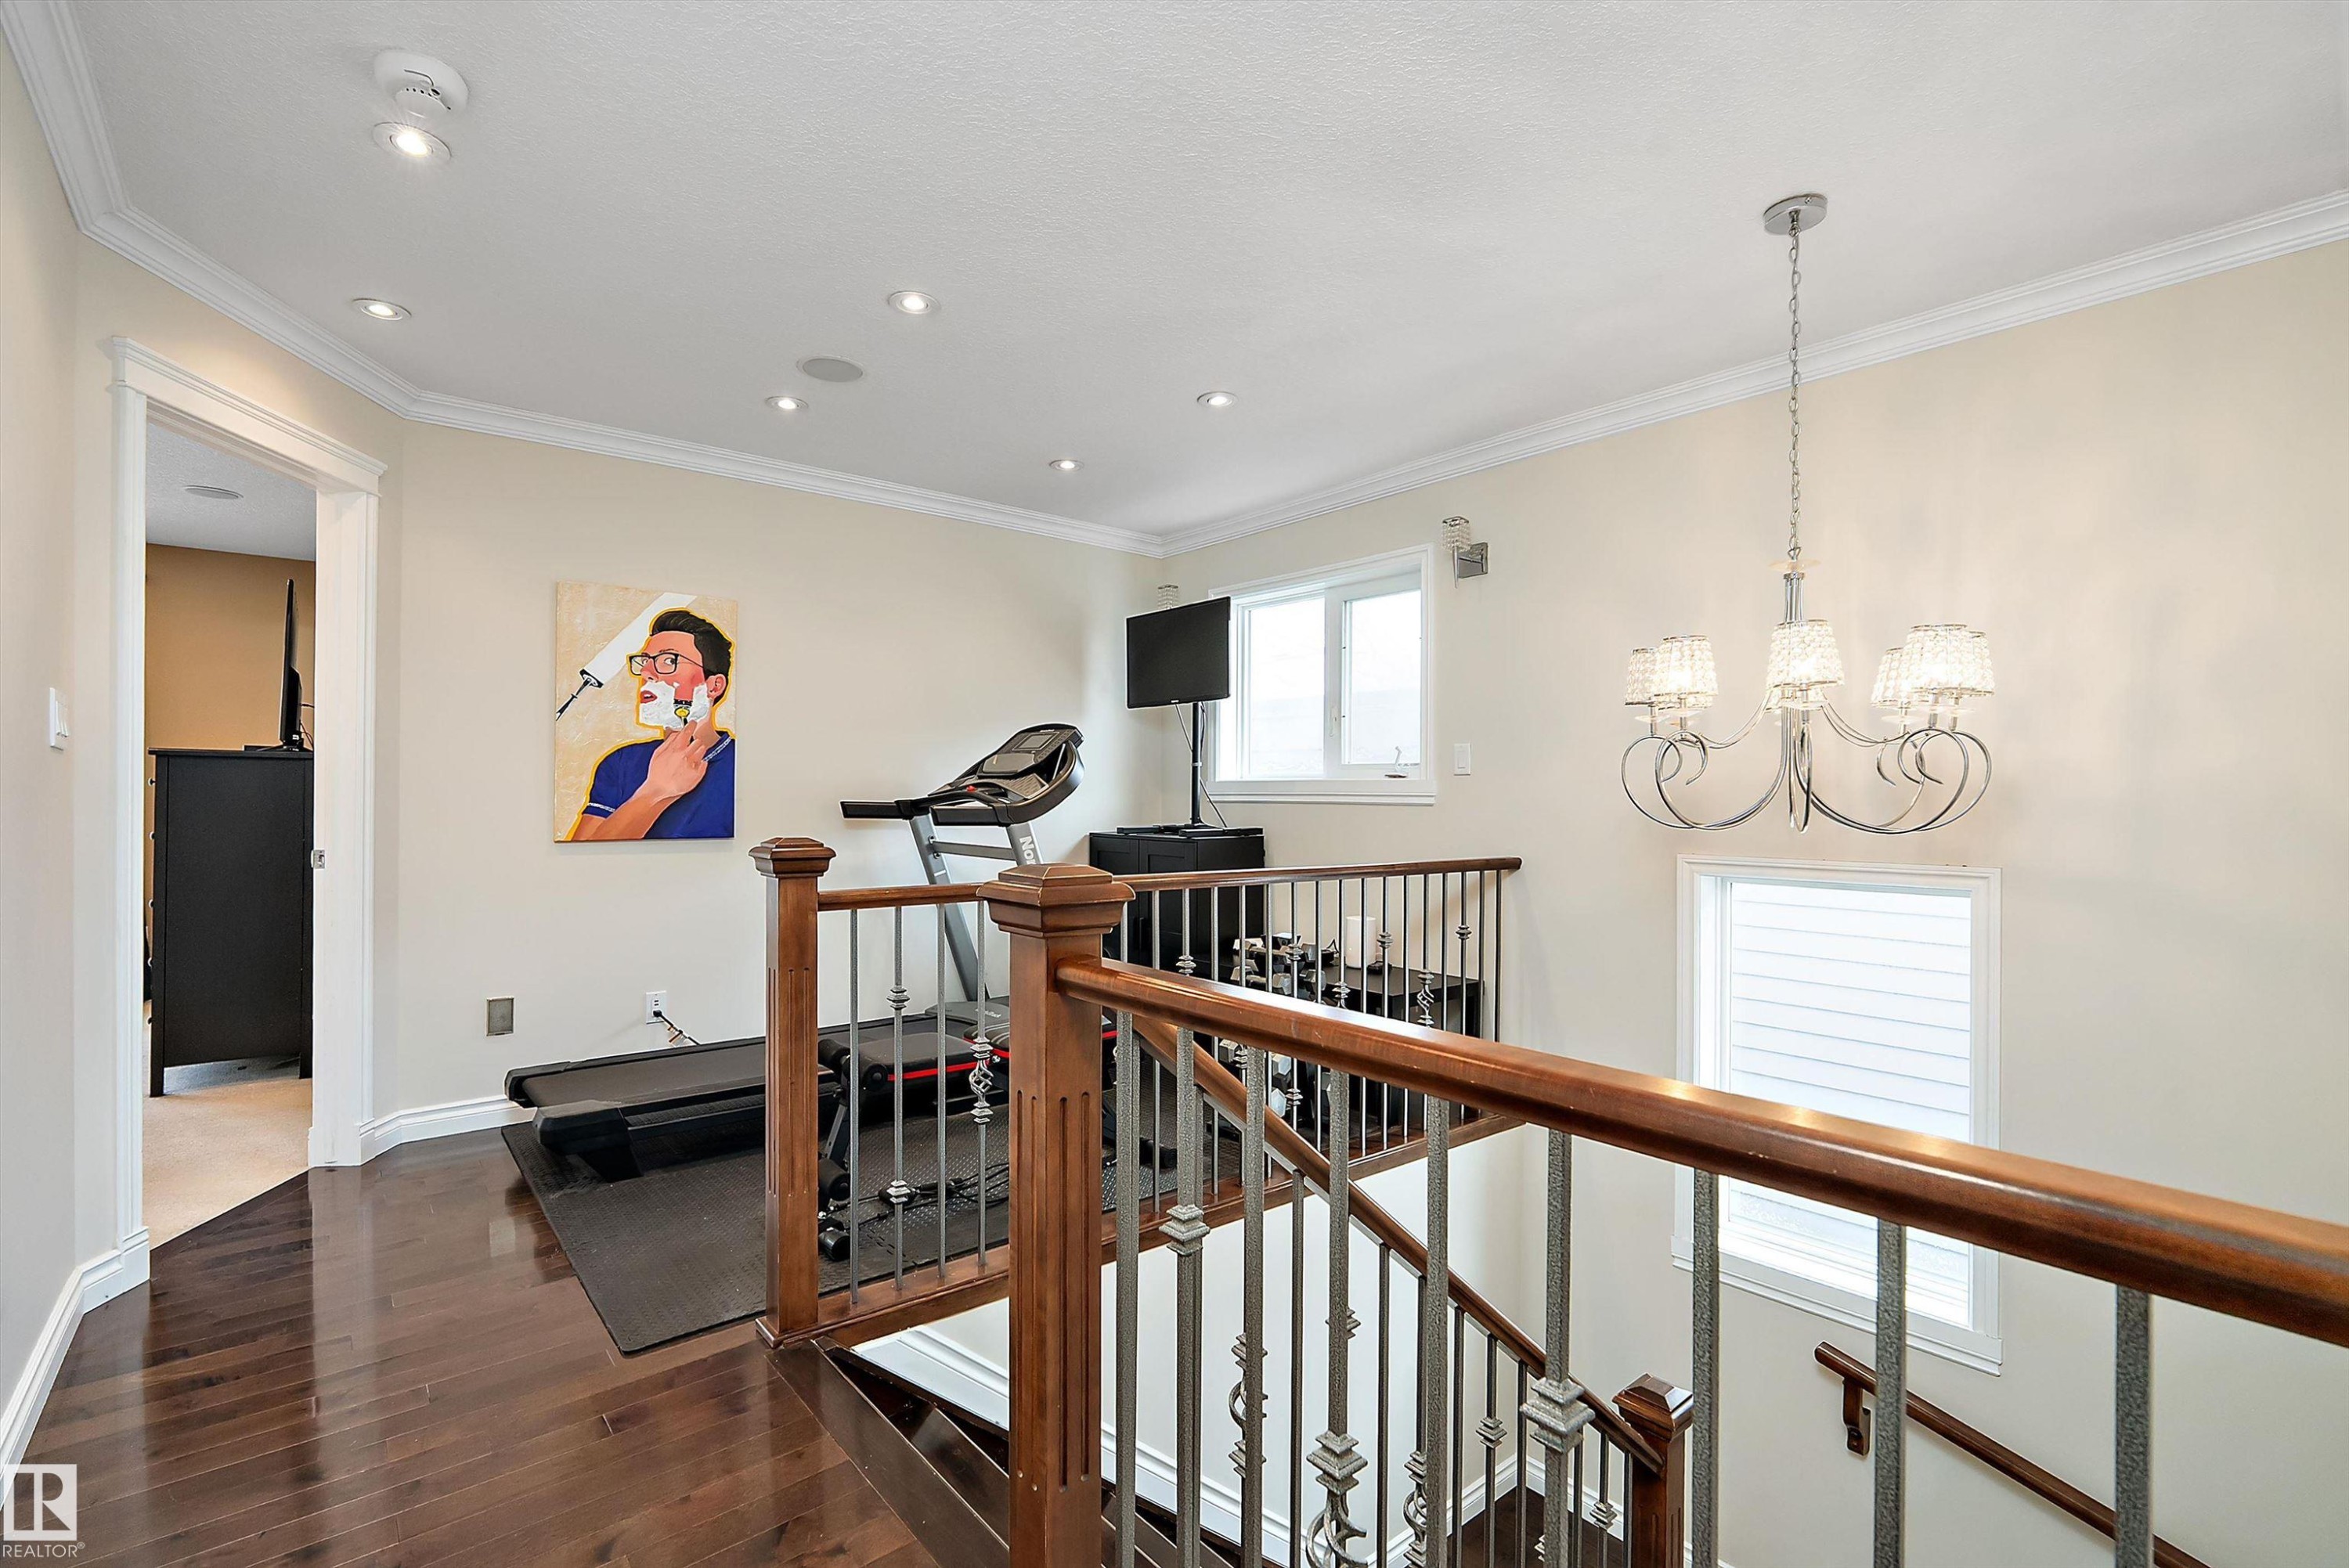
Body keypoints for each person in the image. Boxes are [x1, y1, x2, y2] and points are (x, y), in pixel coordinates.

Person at [568, 608, 736, 840]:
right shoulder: (621, 763)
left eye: (669, 660)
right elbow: (583, 855)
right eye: (645, 662)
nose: (647, 673)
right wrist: (655, 791)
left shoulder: (741, 764)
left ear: (714, 686)